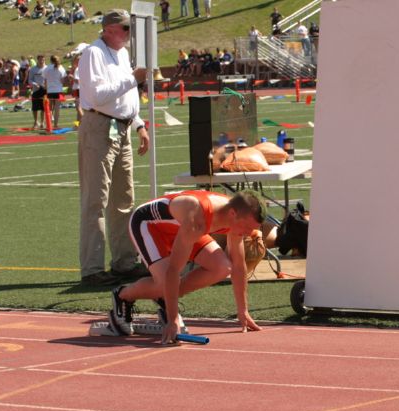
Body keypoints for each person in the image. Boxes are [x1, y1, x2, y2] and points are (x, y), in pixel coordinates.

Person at [108, 190, 266, 343]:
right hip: (149, 225)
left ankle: (166, 299)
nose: (249, 233)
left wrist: (243, 311)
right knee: (165, 283)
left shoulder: (234, 216)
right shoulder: (197, 218)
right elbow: (174, 270)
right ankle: (123, 295)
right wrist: (173, 320)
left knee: (223, 267)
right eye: (247, 228)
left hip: (180, 228)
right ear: (233, 214)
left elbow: (238, 265)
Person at [76, 9, 150, 286]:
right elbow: (97, 96)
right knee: (96, 199)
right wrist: (134, 77)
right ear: (108, 29)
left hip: (122, 126)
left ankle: (124, 262)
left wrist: (139, 123)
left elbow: (126, 97)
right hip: (99, 127)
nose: (129, 34)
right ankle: (92, 269)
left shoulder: (119, 54)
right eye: (125, 28)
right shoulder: (93, 53)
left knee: (124, 199)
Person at [43, 55, 66, 128]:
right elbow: (62, 81)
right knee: (57, 109)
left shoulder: (47, 68)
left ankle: (48, 125)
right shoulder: (61, 68)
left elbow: (45, 80)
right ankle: (55, 125)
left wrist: (46, 90)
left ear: (50, 60)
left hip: (50, 90)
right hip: (58, 90)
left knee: (49, 109)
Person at [28, 55, 46, 130]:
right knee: (35, 108)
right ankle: (35, 122)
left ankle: (42, 123)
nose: (42, 61)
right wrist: (35, 84)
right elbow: (30, 80)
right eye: (40, 60)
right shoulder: (33, 69)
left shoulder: (47, 68)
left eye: (43, 60)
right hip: (36, 90)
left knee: (43, 108)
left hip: (45, 90)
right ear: (37, 60)